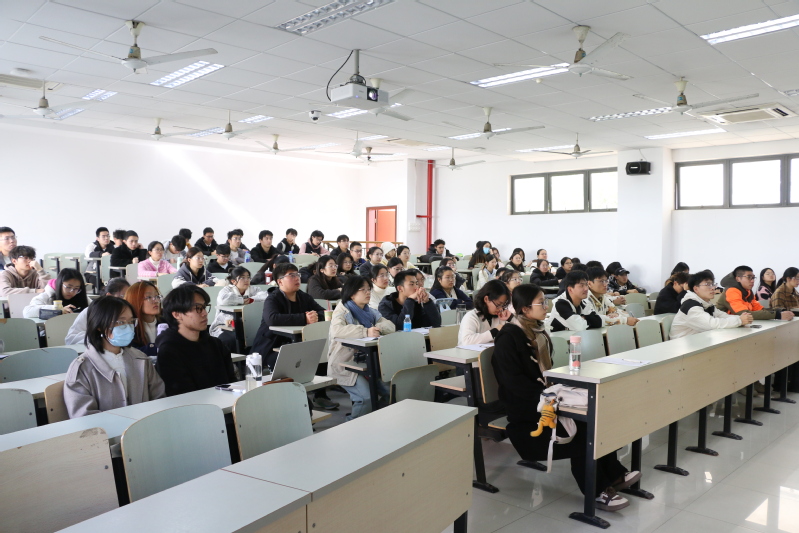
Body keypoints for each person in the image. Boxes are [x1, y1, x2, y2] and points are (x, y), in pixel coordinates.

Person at [493, 283, 635, 512]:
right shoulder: (508, 338)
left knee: (596, 418)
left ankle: (614, 474)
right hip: (527, 413)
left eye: (545, 301)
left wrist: (559, 392)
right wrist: (550, 398)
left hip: (546, 399)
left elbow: (545, 374)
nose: (546, 306)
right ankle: (597, 491)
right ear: (525, 309)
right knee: (585, 432)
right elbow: (514, 384)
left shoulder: (537, 331)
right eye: (541, 303)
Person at [63, 296, 165, 417]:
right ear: (99, 326)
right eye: (120, 322)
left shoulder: (141, 359)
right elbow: (84, 417)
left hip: (144, 426)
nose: (128, 327)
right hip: (105, 429)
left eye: (131, 321)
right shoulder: (81, 369)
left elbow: (159, 399)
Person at [328, 276, 396, 420]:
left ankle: (374, 420)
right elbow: (337, 331)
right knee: (365, 397)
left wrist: (377, 328)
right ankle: (353, 426)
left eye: (368, 289)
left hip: (368, 362)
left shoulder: (369, 311)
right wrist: (365, 331)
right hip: (345, 364)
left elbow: (390, 326)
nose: (367, 292)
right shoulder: (342, 311)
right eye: (362, 289)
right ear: (352, 294)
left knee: (390, 392)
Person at [155, 285, 236, 396]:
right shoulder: (169, 351)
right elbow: (180, 395)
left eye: (204, 307)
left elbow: (232, 382)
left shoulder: (216, 344)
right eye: (198, 308)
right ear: (177, 314)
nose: (205, 313)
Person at [250, 262, 325, 370]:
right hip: (272, 346)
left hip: (297, 343)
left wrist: (316, 317)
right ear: (280, 281)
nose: (297, 278)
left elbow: (323, 312)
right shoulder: (273, 298)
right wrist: (304, 318)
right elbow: (272, 319)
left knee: (319, 358)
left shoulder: (304, 297)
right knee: (296, 362)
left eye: (297, 275)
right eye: (292, 276)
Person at [670, 270, 751, 339]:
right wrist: (739, 320)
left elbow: (722, 315)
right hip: (681, 346)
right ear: (696, 289)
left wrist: (741, 318)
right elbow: (712, 324)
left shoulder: (706, 303)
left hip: (698, 341)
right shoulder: (691, 306)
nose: (713, 288)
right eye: (708, 285)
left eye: (712, 284)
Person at [209, 267, 267, 352]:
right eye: (242, 278)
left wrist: (251, 299)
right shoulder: (227, 290)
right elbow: (223, 299)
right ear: (233, 281)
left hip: (249, 324)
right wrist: (242, 300)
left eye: (248, 277)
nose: (246, 280)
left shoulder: (254, 289)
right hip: (225, 325)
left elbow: (265, 296)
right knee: (231, 340)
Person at [65, 278, 130, 346]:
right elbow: (71, 338)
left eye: (129, 296)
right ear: (109, 296)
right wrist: (100, 338)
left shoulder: (128, 313)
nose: (127, 300)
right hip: (92, 349)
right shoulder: (92, 311)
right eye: (123, 296)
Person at [716, 265, 794, 321]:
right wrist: (777, 315)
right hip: (723, 327)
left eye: (753, 277)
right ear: (738, 279)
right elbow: (743, 313)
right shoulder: (731, 291)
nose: (752, 281)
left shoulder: (748, 291)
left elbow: (758, 308)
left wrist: (778, 311)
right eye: (749, 277)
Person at [458, 279, 513, 345]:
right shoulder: (471, 316)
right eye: (498, 305)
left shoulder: (501, 316)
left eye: (503, 305)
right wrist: (494, 332)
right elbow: (466, 341)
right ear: (486, 299)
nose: (501, 309)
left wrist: (511, 318)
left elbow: (520, 332)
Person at [124, 281, 166, 360]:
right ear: (135, 300)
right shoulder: (130, 326)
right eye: (149, 297)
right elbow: (131, 351)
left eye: (157, 296)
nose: (156, 301)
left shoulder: (166, 322)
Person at [24, 268, 89, 318]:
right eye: (68, 287)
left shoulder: (81, 296)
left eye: (76, 288)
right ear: (60, 284)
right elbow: (27, 312)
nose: (72, 291)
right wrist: (57, 309)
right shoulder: (46, 296)